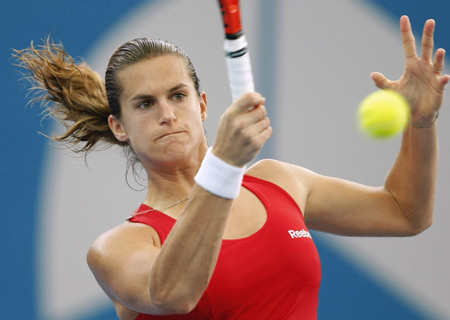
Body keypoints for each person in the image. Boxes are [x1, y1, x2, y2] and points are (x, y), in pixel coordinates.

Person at [14, 15, 448, 320]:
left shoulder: (279, 182)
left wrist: (421, 122)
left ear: (202, 105)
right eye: (145, 104)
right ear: (119, 126)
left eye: (178, 95)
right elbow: (173, 294)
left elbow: (406, 213)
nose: (167, 113)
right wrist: (222, 164)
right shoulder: (118, 247)